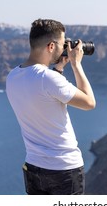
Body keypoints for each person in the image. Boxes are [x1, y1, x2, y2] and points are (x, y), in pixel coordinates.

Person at [6, 19, 96, 195]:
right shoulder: (48, 79)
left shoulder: (13, 76)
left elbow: (43, 97)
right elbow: (89, 103)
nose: (65, 48)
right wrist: (76, 64)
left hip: (34, 167)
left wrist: (59, 69)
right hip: (64, 170)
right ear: (51, 46)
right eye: (63, 44)